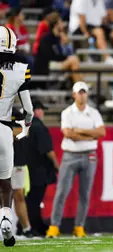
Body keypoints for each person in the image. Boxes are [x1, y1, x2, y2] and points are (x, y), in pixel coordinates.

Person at [46, 81, 106, 238]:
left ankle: (79, 226)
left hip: (89, 155)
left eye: (84, 92)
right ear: (73, 94)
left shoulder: (93, 112)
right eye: (79, 92)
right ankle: (54, 225)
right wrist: (89, 134)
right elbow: (68, 134)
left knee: (85, 193)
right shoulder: (67, 112)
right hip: (70, 155)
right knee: (62, 192)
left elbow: (101, 132)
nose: (82, 95)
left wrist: (79, 131)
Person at [0, 26, 34, 247]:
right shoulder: (21, 68)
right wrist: (27, 122)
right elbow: (28, 108)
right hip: (3, 128)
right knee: (5, 184)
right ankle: (5, 218)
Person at [69, 0, 113, 66]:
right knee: (99, 32)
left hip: (95, 25)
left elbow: (103, 17)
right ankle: (107, 58)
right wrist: (85, 32)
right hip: (80, 27)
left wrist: (109, 28)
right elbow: (82, 17)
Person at [25, 100, 59, 237]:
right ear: (36, 110)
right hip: (39, 170)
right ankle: (34, 226)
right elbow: (48, 150)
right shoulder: (39, 127)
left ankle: (33, 225)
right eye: (41, 109)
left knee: (30, 199)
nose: (42, 112)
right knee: (35, 200)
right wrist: (57, 165)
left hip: (27, 168)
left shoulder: (24, 125)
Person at [34, 15, 82, 84]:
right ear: (56, 25)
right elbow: (51, 56)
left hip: (56, 63)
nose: (63, 24)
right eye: (61, 22)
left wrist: (66, 44)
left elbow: (66, 53)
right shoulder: (46, 38)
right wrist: (67, 58)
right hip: (47, 66)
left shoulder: (58, 38)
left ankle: (80, 86)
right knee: (73, 60)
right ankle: (81, 86)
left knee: (74, 62)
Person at [11, 108, 32, 238]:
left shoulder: (15, 113)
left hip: (17, 160)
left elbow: (24, 132)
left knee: (19, 195)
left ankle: (26, 228)